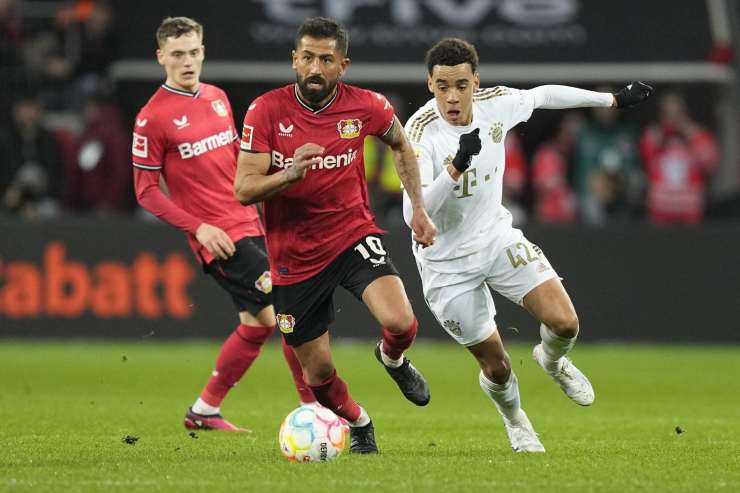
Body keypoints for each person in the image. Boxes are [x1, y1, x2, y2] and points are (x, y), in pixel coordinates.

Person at [404, 38, 652, 452]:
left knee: (565, 323)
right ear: (430, 84)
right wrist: (456, 166)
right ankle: (516, 420)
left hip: (496, 238)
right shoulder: (418, 133)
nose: (452, 97)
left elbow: (544, 96)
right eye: (442, 86)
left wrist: (611, 100)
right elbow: (415, 212)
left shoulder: (496, 104)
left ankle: (552, 360)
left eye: (461, 85)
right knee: (497, 366)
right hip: (446, 264)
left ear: (476, 82)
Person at [234, 17, 437, 454]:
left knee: (401, 322)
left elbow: (401, 144)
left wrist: (418, 208)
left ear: (342, 65)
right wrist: (289, 175)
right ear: (294, 60)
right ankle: (360, 422)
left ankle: (392, 358)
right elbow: (244, 188)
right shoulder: (265, 111)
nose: (315, 68)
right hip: (294, 256)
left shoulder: (367, 105)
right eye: (307, 57)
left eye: (326, 60)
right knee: (318, 373)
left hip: (351, 235)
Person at [131, 16, 315, 432]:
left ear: (203, 52)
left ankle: (204, 410)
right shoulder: (151, 118)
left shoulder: (216, 97)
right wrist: (198, 228)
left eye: (193, 52)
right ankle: (315, 408)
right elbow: (145, 192)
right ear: (161, 57)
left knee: (257, 323)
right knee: (289, 313)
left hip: (251, 223)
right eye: (177, 54)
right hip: (221, 239)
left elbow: (237, 161)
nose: (187, 61)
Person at [640, 91, 718, 224]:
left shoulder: (699, 136)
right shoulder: (653, 136)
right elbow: (646, 161)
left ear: (685, 113)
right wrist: (662, 135)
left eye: (677, 113)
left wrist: (691, 133)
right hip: (660, 209)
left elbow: (710, 163)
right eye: (668, 114)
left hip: (690, 209)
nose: (672, 119)